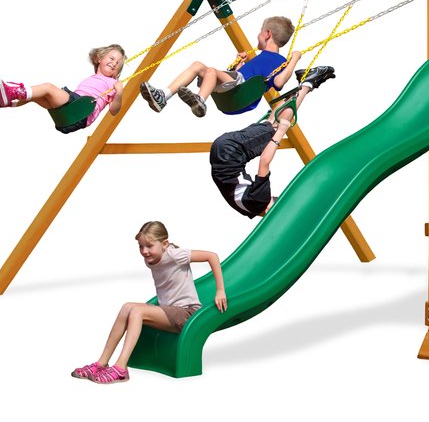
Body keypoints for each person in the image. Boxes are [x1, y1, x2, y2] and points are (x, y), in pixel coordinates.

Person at [70, 221, 227, 385]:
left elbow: (212, 256)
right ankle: (101, 363)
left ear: (165, 244)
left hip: (187, 313)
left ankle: (121, 368)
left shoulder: (175, 254)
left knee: (138, 311)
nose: (144, 251)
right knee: (127, 307)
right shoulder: (151, 258)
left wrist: (220, 290)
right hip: (168, 311)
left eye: (149, 246)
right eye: (141, 246)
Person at [209, 65, 335, 218]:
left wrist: (281, 132)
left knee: (275, 127)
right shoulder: (248, 210)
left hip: (231, 151)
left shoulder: (260, 201)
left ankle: (308, 83)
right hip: (221, 154)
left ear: (269, 209)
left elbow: (264, 162)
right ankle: (303, 83)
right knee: (269, 124)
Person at [140, 15, 301, 117]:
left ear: (267, 34)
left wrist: (294, 59)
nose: (258, 35)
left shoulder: (281, 61)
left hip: (242, 91)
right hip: (235, 86)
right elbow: (239, 75)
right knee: (198, 65)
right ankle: (163, 96)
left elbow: (278, 83)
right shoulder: (260, 57)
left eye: (260, 31)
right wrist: (239, 63)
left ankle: (200, 102)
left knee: (211, 71)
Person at [0, 44, 126, 134]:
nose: (114, 63)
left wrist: (119, 92)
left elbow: (114, 110)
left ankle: (11, 92)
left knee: (48, 88)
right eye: (112, 58)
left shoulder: (113, 83)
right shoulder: (93, 78)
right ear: (99, 58)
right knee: (34, 96)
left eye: (118, 63)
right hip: (69, 114)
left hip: (81, 111)